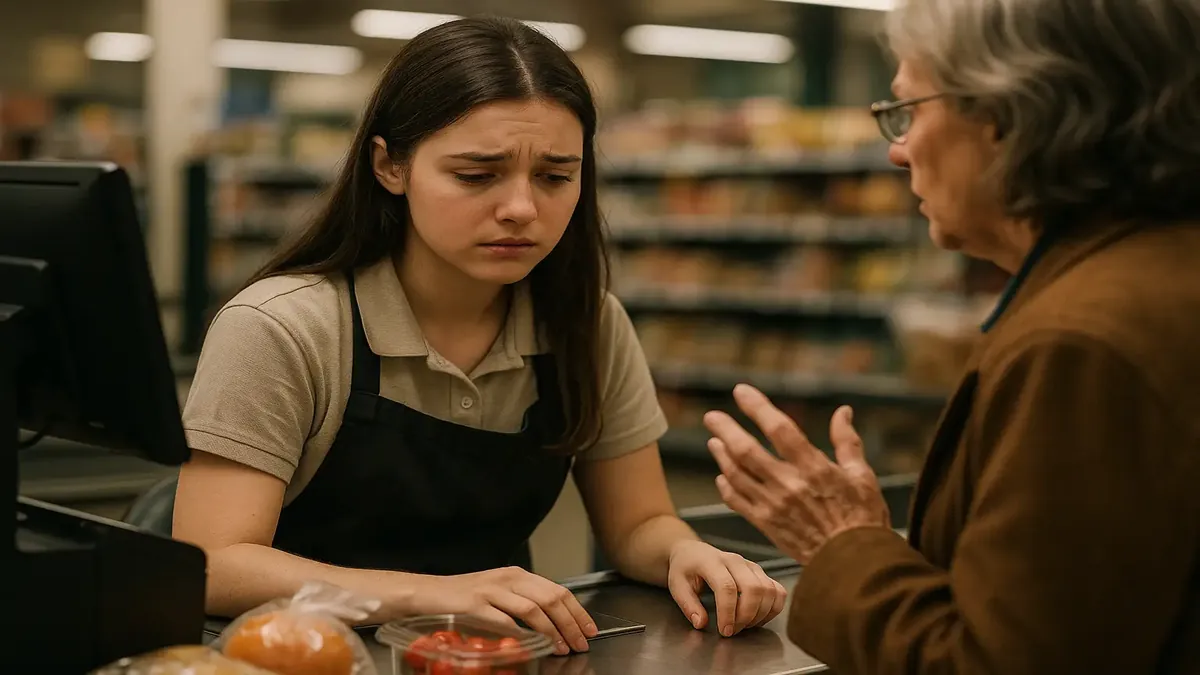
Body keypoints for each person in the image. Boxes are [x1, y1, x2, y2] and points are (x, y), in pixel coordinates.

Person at [174, 16, 785, 655]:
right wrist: (430, 595)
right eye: (476, 175)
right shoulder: (283, 328)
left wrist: (685, 552)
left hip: (488, 658)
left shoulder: (586, 324)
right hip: (295, 658)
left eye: (555, 177)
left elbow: (638, 524)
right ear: (389, 166)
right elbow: (214, 562)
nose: (521, 208)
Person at [703, 0, 1200, 673]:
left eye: (908, 110)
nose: (897, 148)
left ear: (1007, 113)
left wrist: (841, 543)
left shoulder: (1083, 343)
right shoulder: (1159, 274)